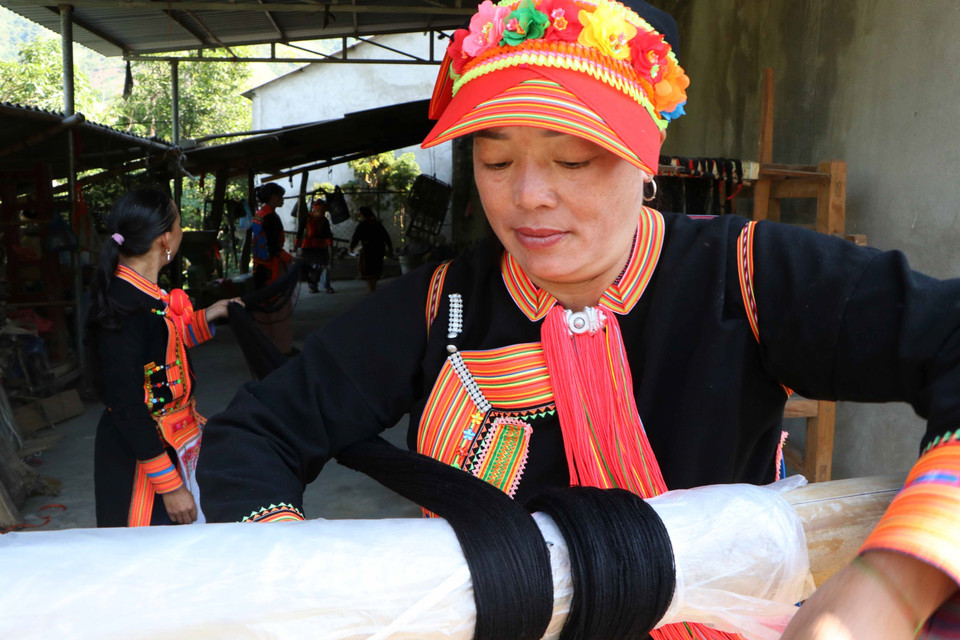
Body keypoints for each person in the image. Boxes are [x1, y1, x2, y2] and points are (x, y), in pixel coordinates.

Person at [197, 1, 959, 637]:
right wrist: (302, 584)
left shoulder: (747, 275)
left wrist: (893, 584)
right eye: (496, 162)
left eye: (571, 161)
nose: (528, 196)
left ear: (645, 158)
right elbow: (254, 434)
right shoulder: (440, 304)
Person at [86, 189, 240, 527]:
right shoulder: (121, 308)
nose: (182, 232)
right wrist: (169, 486)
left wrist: (208, 315)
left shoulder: (144, 293)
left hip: (177, 437)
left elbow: (161, 351)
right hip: (142, 452)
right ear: (165, 239)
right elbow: (127, 403)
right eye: (181, 224)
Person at [250, 182, 295, 355]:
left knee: (262, 309)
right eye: (280, 196)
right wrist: (291, 259)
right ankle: (282, 349)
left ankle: (265, 347)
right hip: (274, 269)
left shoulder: (258, 215)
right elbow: (274, 247)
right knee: (279, 310)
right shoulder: (271, 218)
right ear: (273, 198)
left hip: (259, 269)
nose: (282, 200)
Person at [349, 206, 393, 292]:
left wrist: (351, 247)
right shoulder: (377, 224)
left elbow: (356, 237)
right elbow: (386, 236)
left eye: (360, 214)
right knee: (375, 269)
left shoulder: (362, 225)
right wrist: (390, 246)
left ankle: (372, 289)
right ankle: (373, 288)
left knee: (369, 270)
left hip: (368, 250)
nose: (359, 215)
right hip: (379, 249)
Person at [297, 199, 335, 294]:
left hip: (321, 246)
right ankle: (313, 286)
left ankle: (327, 286)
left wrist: (330, 244)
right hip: (308, 246)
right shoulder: (307, 218)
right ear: (315, 210)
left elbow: (327, 234)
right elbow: (300, 232)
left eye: (323, 212)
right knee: (311, 267)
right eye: (319, 211)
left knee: (324, 266)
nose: (321, 214)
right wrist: (296, 245)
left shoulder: (324, 220)